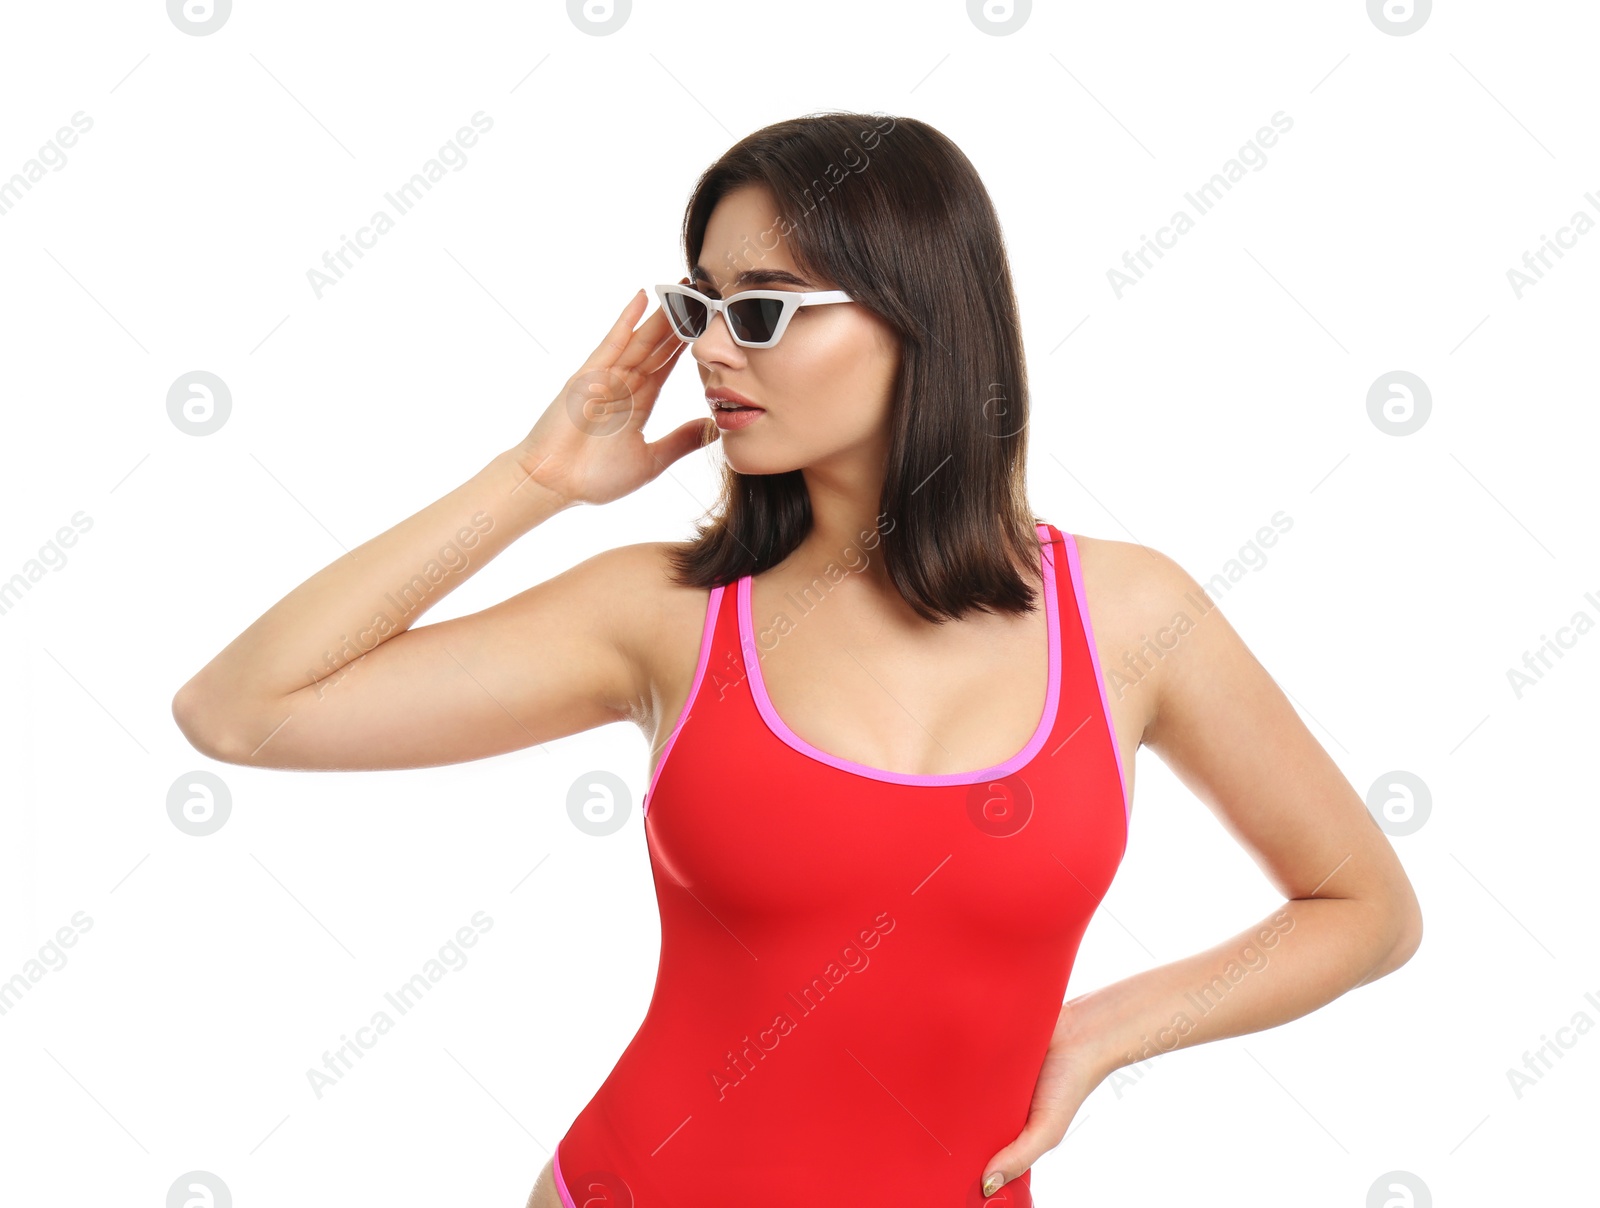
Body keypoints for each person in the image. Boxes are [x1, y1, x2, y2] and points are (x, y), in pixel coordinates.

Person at [173, 113, 1423, 1207]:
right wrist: (536, 479)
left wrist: (1101, 1031)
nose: (712, 350)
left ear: (919, 315)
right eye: (698, 305)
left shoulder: (1132, 613)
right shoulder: (666, 612)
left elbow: (1365, 910)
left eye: (759, 309)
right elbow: (240, 712)